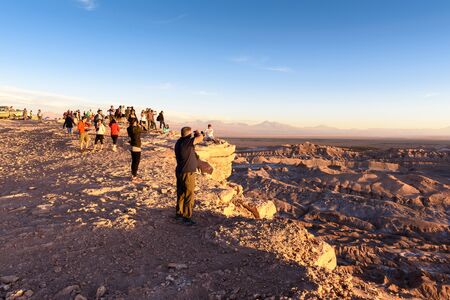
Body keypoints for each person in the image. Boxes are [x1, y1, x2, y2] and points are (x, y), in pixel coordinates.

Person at [174, 127, 204, 225]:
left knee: (181, 193)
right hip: (187, 173)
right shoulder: (186, 142)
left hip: (180, 171)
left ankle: (179, 214)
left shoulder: (179, 142)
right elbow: (200, 138)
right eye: (190, 134)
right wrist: (198, 133)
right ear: (188, 134)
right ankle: (187, 218)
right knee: (189, 194)